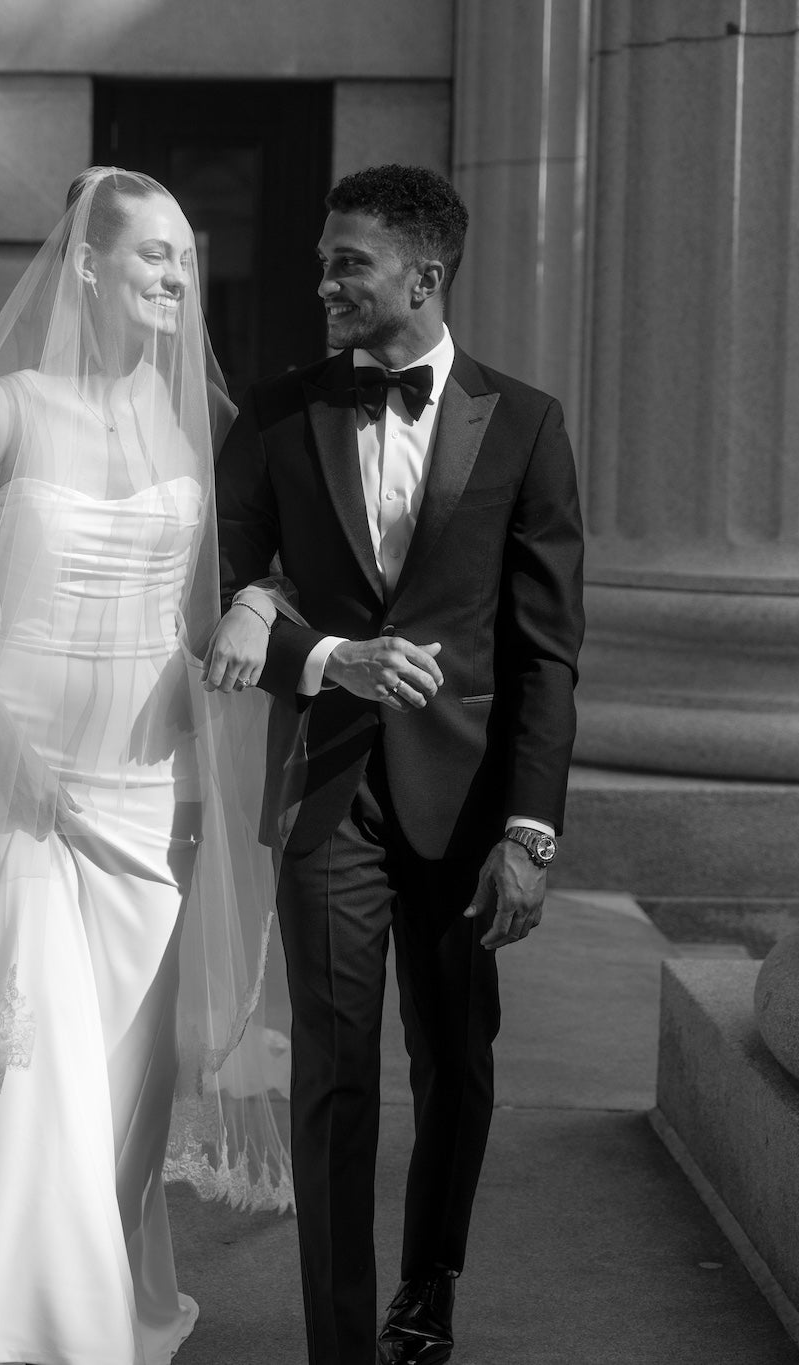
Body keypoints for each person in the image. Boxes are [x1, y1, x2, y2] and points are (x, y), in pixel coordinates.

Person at [0, 167, 294, 1365]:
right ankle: (15, 1340)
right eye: (152, 255)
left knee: (126, 1090)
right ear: (85, 264)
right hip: (27, 793)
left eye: (183, 255)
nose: (178, 276)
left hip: (151, 793)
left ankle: (105, 1299)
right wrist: (14, 764)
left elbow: (260, 566)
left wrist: (253, 613)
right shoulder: (1, 413)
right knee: (39, 1097)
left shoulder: (198, 426)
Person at [208, 164, 587, 1365]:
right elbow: (215, 596)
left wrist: (528, 834)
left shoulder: (522, 423)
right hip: (327, 795)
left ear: (422, 276)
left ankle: (426, 1298)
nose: (321, 282)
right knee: (330, 1078)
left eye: (345, 263)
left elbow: (544, 653)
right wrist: (327, 659)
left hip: (470, 811)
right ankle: (336, 1345)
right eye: (323, 260)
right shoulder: (272, 414)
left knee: (454, 1068)